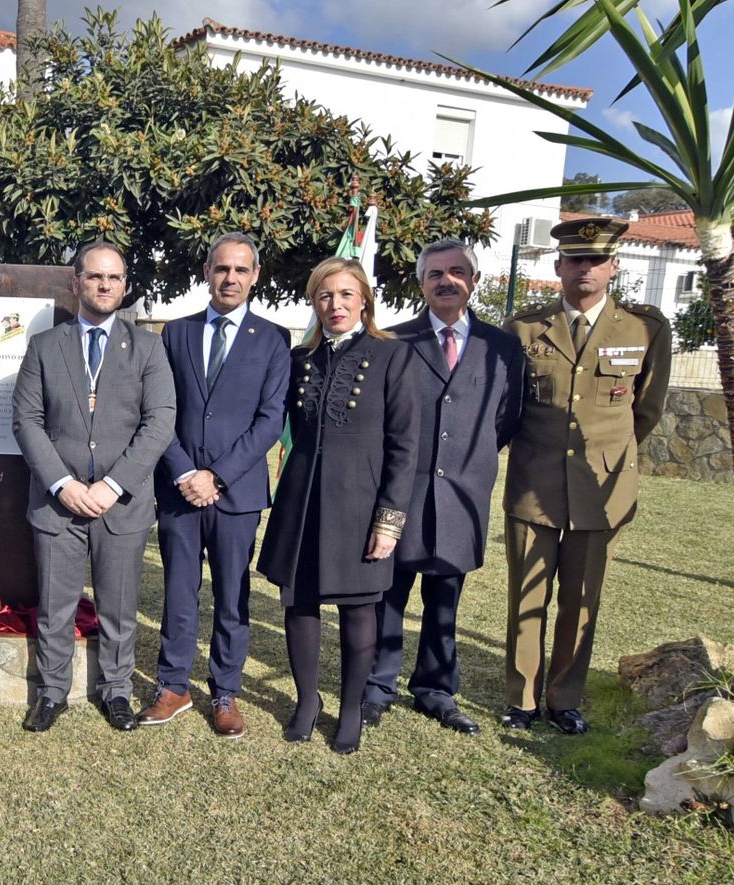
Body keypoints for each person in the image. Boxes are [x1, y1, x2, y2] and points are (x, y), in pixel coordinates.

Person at [500, 216, 671, 734]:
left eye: (596, 260)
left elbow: (647, 410)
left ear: (614, 266)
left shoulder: (644, 328)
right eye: (575, 260)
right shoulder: (525, 328)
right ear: (558, 267)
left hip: (601, 489)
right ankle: (522, 699)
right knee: (527, 597)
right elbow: (509, 408)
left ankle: (564, 698)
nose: (585, 270)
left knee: (581, 597)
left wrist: (605, 458)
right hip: (534, 485)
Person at [11, 241, 176, 733]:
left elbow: (160, 421)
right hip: (58, 504)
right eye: (95, 277)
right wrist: (61, 484)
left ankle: (117, 691)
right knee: (56, 606)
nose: (105, 285)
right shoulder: (44, 346)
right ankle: (52, 693)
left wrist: (113, 484)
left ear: (125, 286)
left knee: (120, 607)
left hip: (119, 506)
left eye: (115, 278)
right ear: (76, 282)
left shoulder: (148, 347)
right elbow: (26, 420)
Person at [360, 239, 522, 736]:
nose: (446, 280)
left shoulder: (502, 346)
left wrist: (466, 464)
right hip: (402, 491)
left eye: (457, 272)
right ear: (422, 283)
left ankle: (435, 688)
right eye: (435, 273)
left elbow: (507, 417)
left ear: (473, 281)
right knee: (388, 592)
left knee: (445, 597)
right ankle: (377, 684)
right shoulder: (395, 340)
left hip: (462, 496)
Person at [256, 257, 418, 753]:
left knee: (359, 610)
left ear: (364, 299)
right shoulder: (301, 358)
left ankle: (349, 709)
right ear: (314, 302)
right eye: (325, 296)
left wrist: (389, 522)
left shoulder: (393, 356)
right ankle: (308, 702)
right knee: (299, 603)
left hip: (360, 504)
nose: (336, 305)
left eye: (346, 294)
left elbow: (406, 445)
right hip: (302, 501)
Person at [139, 232, 289, 738]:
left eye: (241, 270)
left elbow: (270, 421)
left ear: (255, 276)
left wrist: (217, 476)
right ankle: (173, 685)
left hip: (237, 493)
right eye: (222, 268)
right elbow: (162, 411)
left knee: (232, 595)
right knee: (179, 591)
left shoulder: (273, 339)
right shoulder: (175, 333)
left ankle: (226, 691)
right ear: (207, 271)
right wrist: (185, 473)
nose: (231, 278)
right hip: (179, 490)